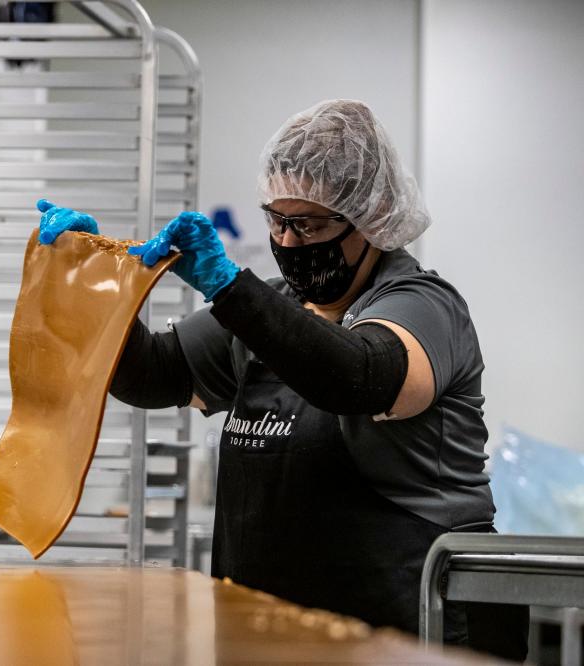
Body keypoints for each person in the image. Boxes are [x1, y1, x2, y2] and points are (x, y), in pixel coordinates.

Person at [36, 99, 527, 661]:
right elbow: (153, 375)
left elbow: (361, 376)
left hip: (412, 633)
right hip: (279, 638)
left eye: (310, 224)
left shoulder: (422, 305)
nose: (290, 243)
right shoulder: (269, 311)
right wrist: (89, 286)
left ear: (373, 217)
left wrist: (229, 289)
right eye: (277, 220)